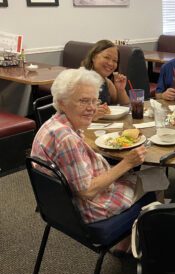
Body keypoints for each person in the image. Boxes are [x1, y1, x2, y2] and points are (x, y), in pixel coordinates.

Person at [31, 68, 167, 252]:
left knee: (138, 174)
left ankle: (125, 242)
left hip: (59, 208)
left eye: (94, 100)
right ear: (62, 103)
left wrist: (88, 115)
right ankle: (150, 249)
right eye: (83, 101)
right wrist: (127, 163)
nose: (91, 107)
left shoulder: (54, 124)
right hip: (90, 209)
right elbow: (87, 191)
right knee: (158, 178)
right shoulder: (66, 139)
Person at [81, 39, 130, 119]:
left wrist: (120, 90)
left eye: (115, 60)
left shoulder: (107, 82)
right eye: (106, 57)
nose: (110, 63)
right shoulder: (80, 80)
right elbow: (70, 114)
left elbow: (125, 106)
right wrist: (92, 115)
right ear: (93, 57)